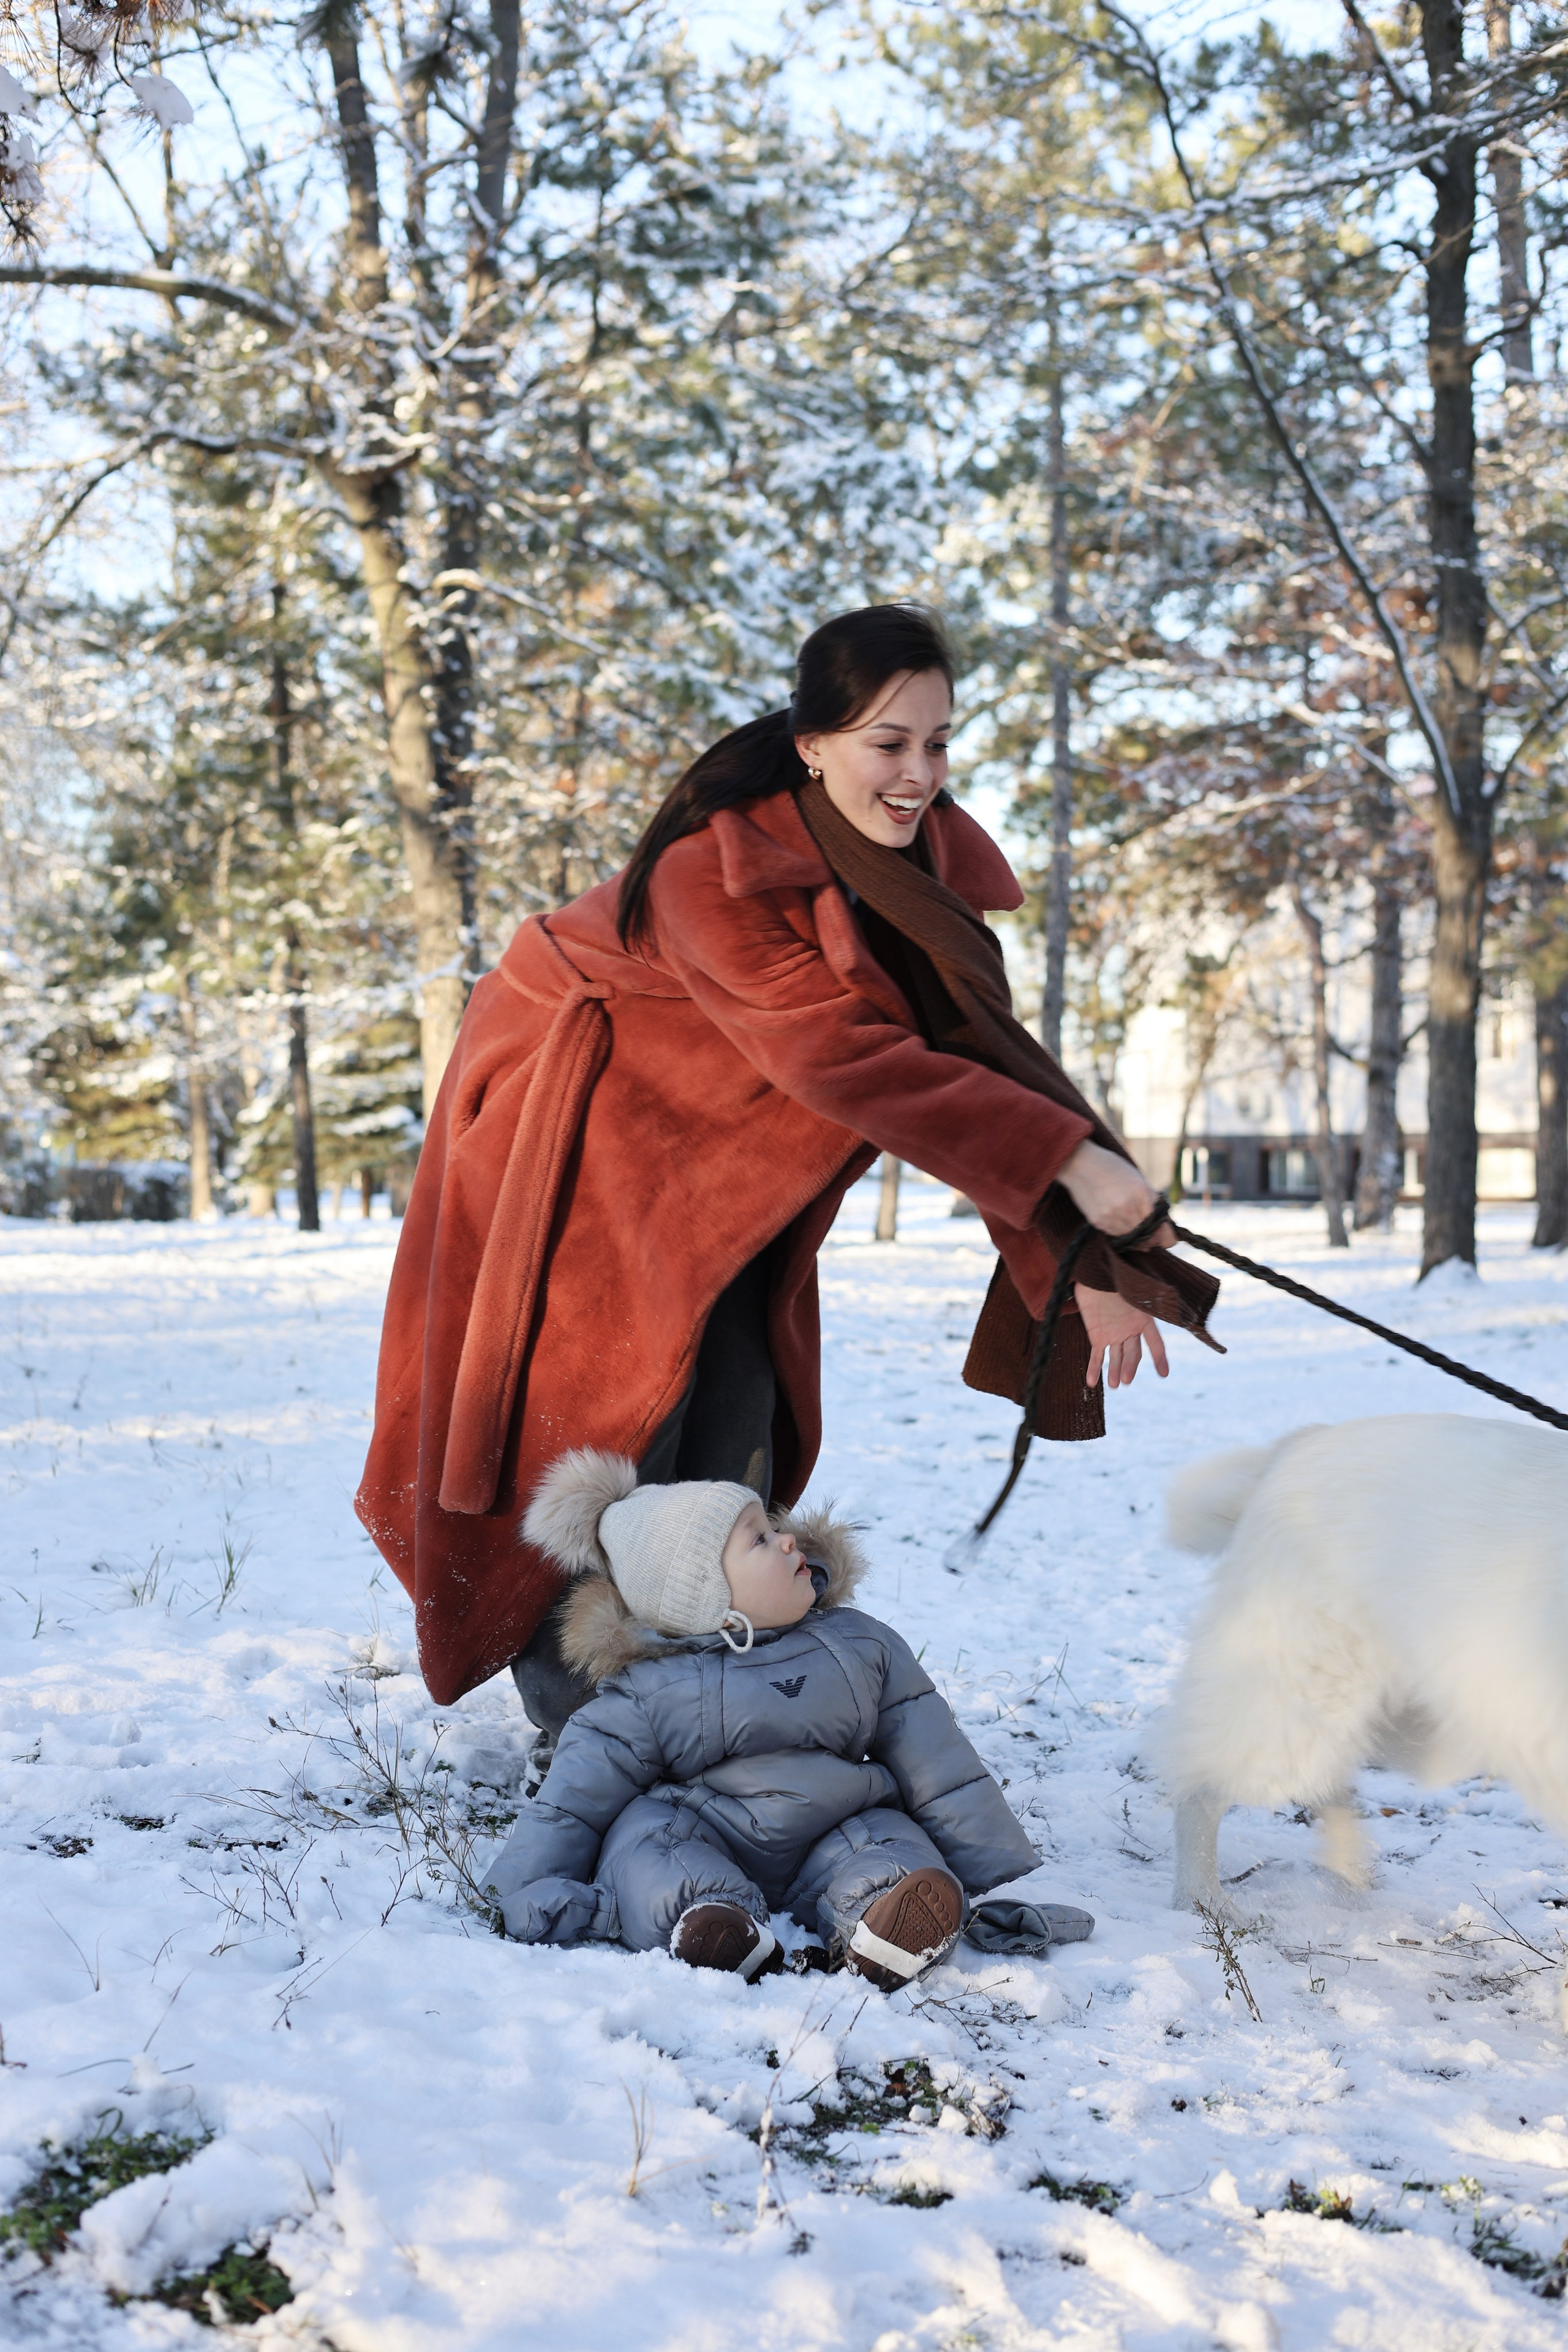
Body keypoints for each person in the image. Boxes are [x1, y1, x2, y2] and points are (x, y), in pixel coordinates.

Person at [355, 603, 1217, 1719]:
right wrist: (1077, 1166)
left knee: (739, 1415)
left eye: (939, 742)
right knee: (605, 1429)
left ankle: (722, 1702)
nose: (918, 774)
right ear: (814, 746)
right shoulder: (711, 873)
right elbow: (848, 1058)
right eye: (888, 744)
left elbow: (980, 1064)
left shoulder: (916, 875)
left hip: (734, 1181)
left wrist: (1085, 1264)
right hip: (583, 1160)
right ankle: (593, 1730)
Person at [482, 1450, 1088, 1983]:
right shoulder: (652, 1689)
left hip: (835, 1831)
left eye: (772, 1529)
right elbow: (577, 1797)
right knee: (646, 1845)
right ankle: (713, 1926)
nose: (788, 1539)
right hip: (706, 1830)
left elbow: (934, 1756)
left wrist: (980, 1862)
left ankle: (884, 1923)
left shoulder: (858, 1645)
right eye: (759, 1542)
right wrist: (522, 1885)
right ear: (709, 1602)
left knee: (893, 1843)